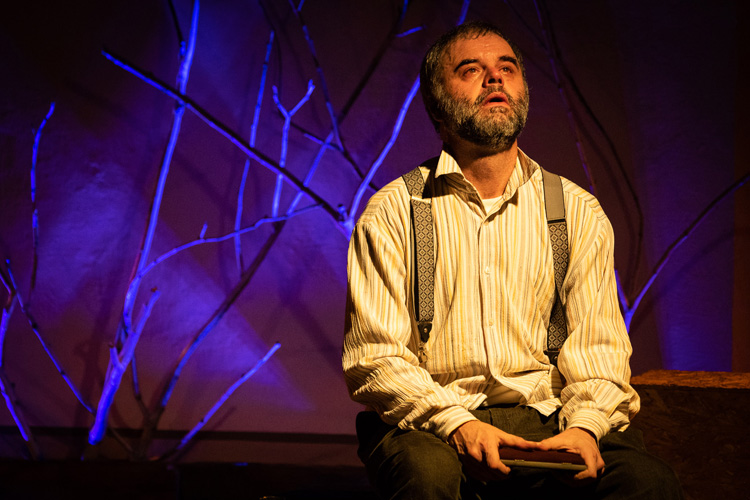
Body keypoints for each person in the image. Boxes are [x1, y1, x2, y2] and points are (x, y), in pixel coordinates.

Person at [342, 21, 682, 499]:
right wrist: (456, 424)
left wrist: (584, 426)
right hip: (433, 421)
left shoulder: (575, 211)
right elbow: (375, 357)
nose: (495, 78)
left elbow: (600, 350)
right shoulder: (395, 211)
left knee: (648, 482)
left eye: (507, 68)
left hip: (550, 417)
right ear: (437, 103)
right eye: (471, 70)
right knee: (427, 475)